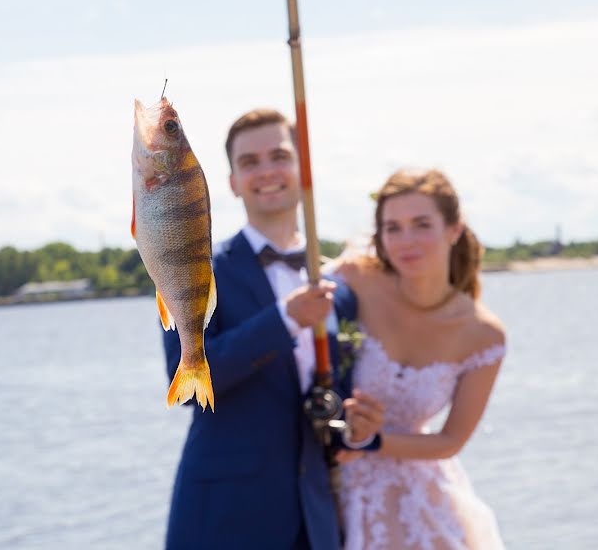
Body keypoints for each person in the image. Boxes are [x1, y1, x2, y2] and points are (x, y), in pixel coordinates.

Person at [162, 108, 385, 550]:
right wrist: (283, 320)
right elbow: (186, 384)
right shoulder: (194, 268)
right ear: (231, 182)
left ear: (302, 168)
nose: (266, 171)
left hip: (316, 520)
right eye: (249, 162)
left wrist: (362, 429)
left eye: (279, 156)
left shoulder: (342, 288)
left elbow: (335, 400)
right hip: (224, 519)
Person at [333, 168, 507, 549]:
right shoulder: (357, 280)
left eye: (421, 224)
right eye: (392, 228)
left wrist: (371, 441)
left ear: (454, 229)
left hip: (422, 502)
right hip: (334, 485)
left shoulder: (483, 334)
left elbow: (450, 440)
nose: (405, 241)